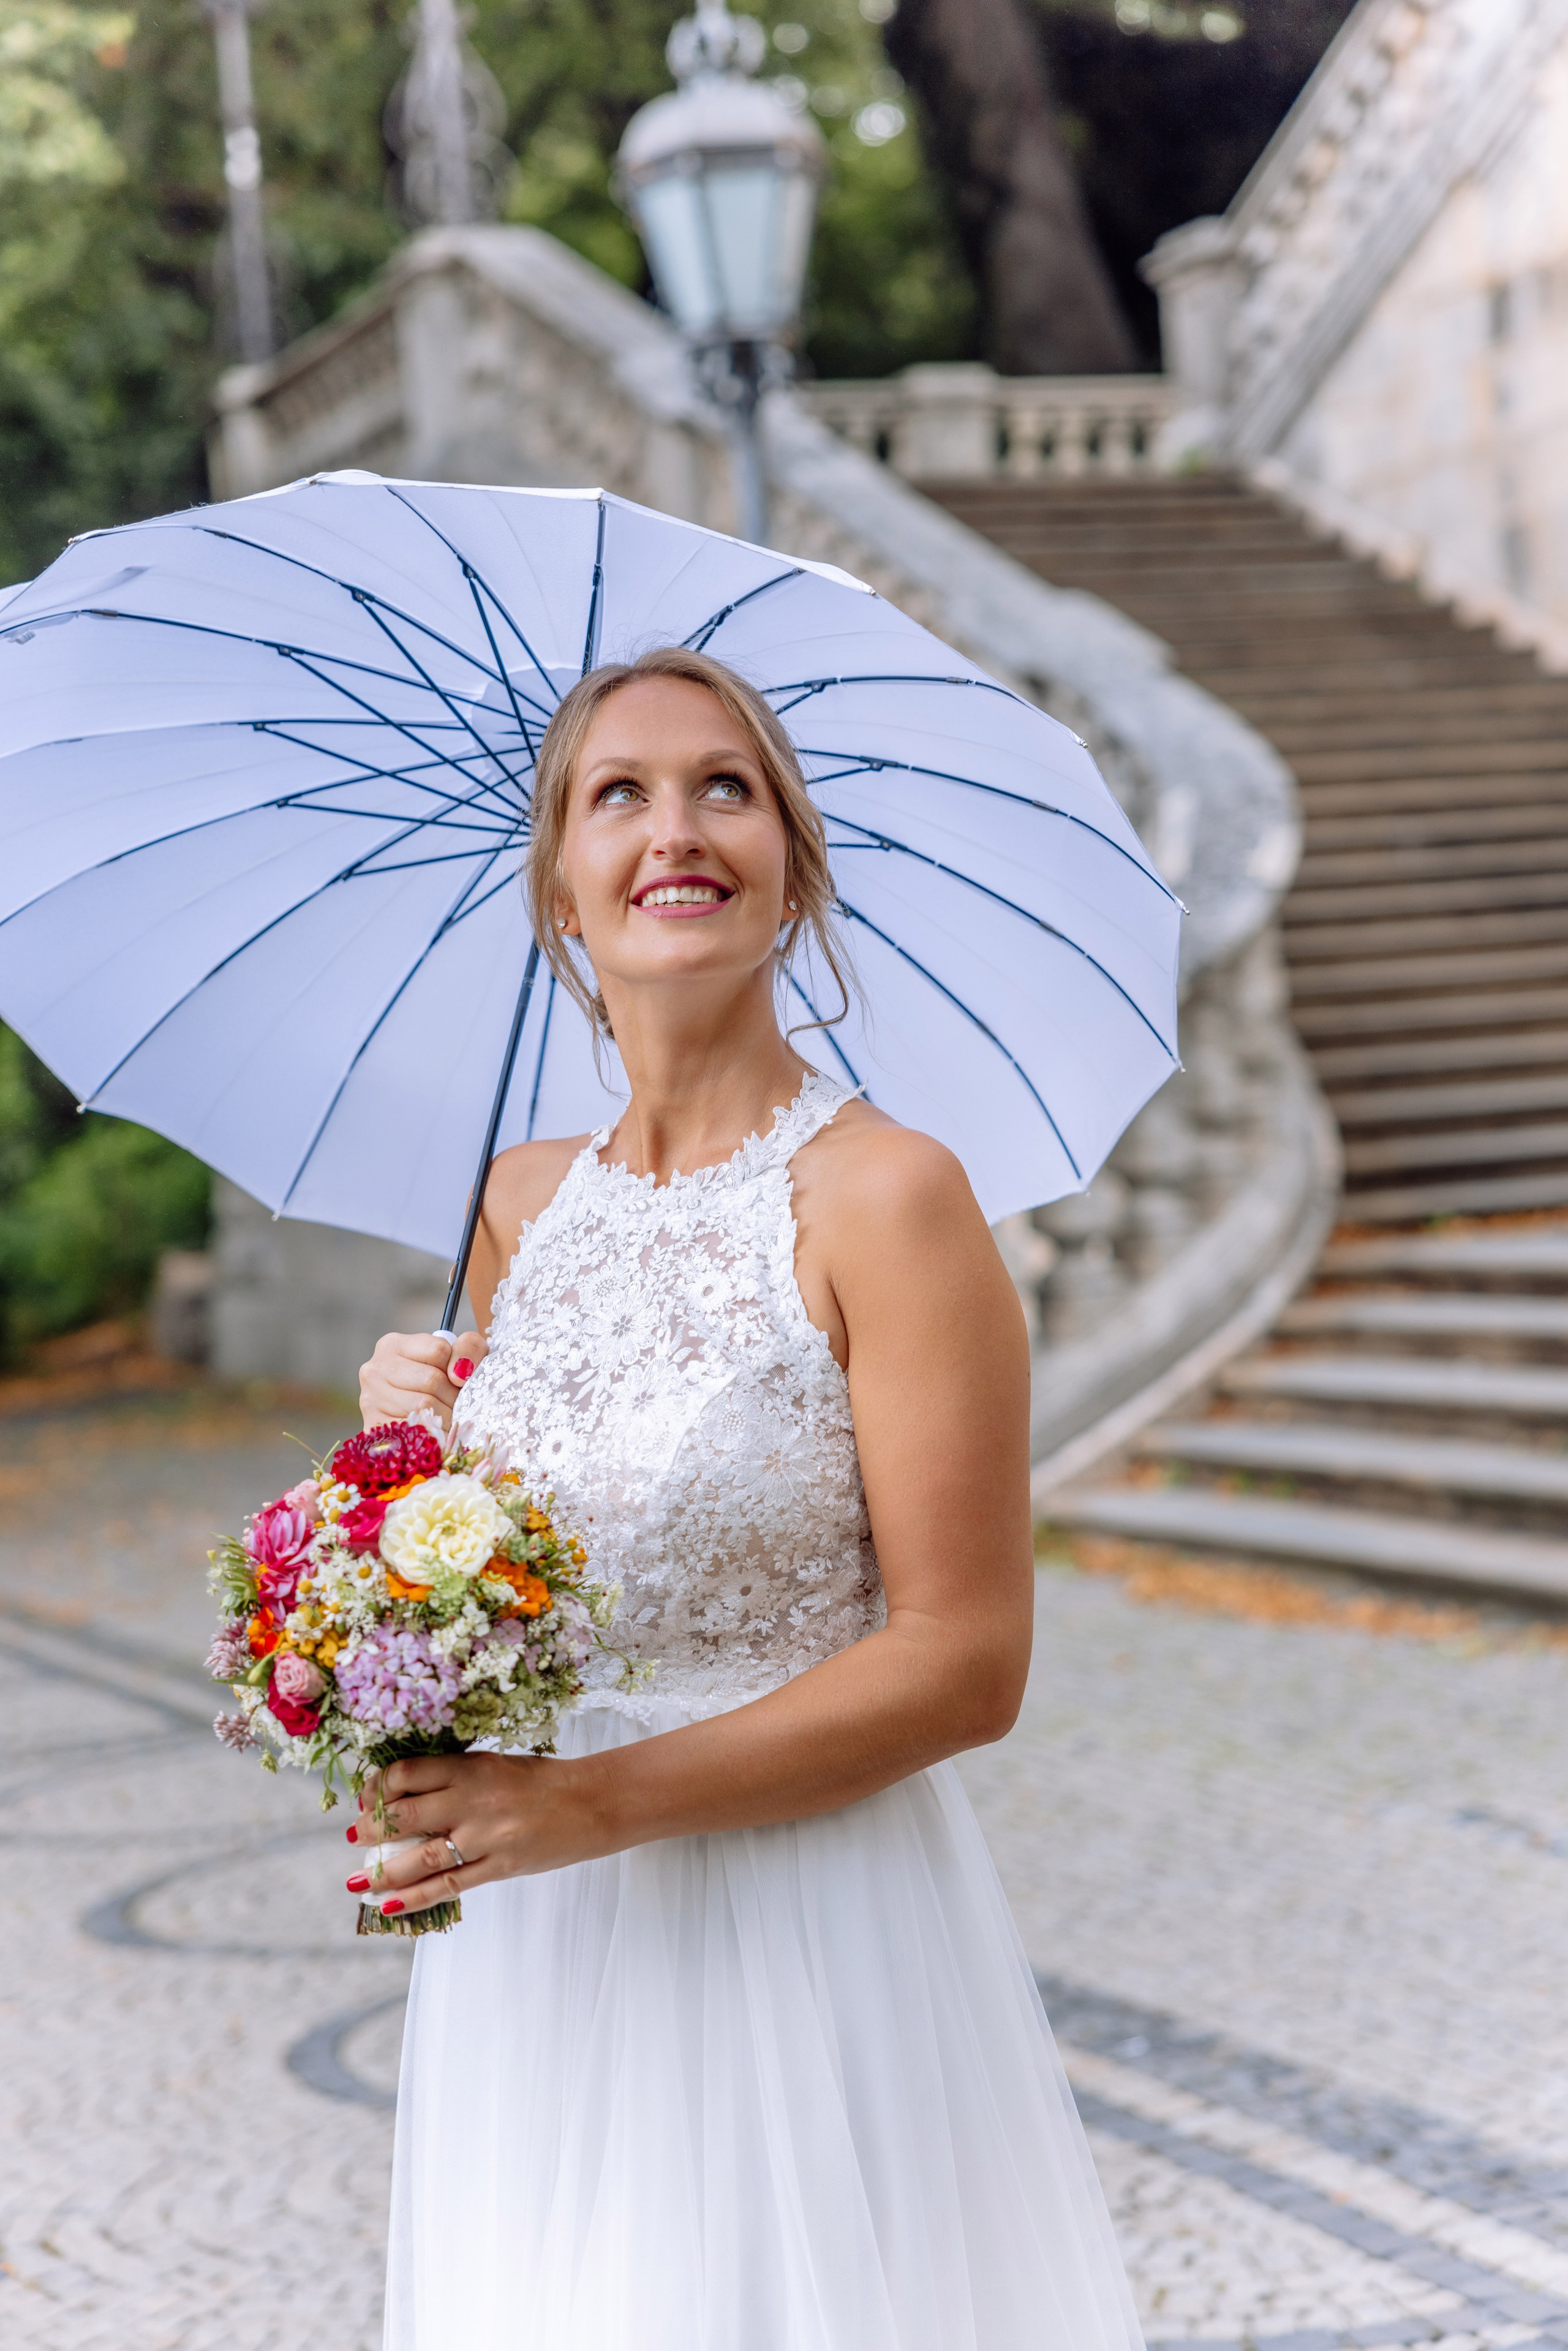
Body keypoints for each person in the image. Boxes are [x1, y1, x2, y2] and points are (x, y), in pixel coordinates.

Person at [353, 645, 1144, 2350]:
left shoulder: (889, 1198)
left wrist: (597, 1806)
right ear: (561, 887)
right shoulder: (515, 1207)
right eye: (616, 794)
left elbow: (967, 1661)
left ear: (793, 865)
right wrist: (396, 1468)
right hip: (545, 1957)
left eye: (727, 785)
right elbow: (538, 1588)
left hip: (803, 1934)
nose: (675, 827)